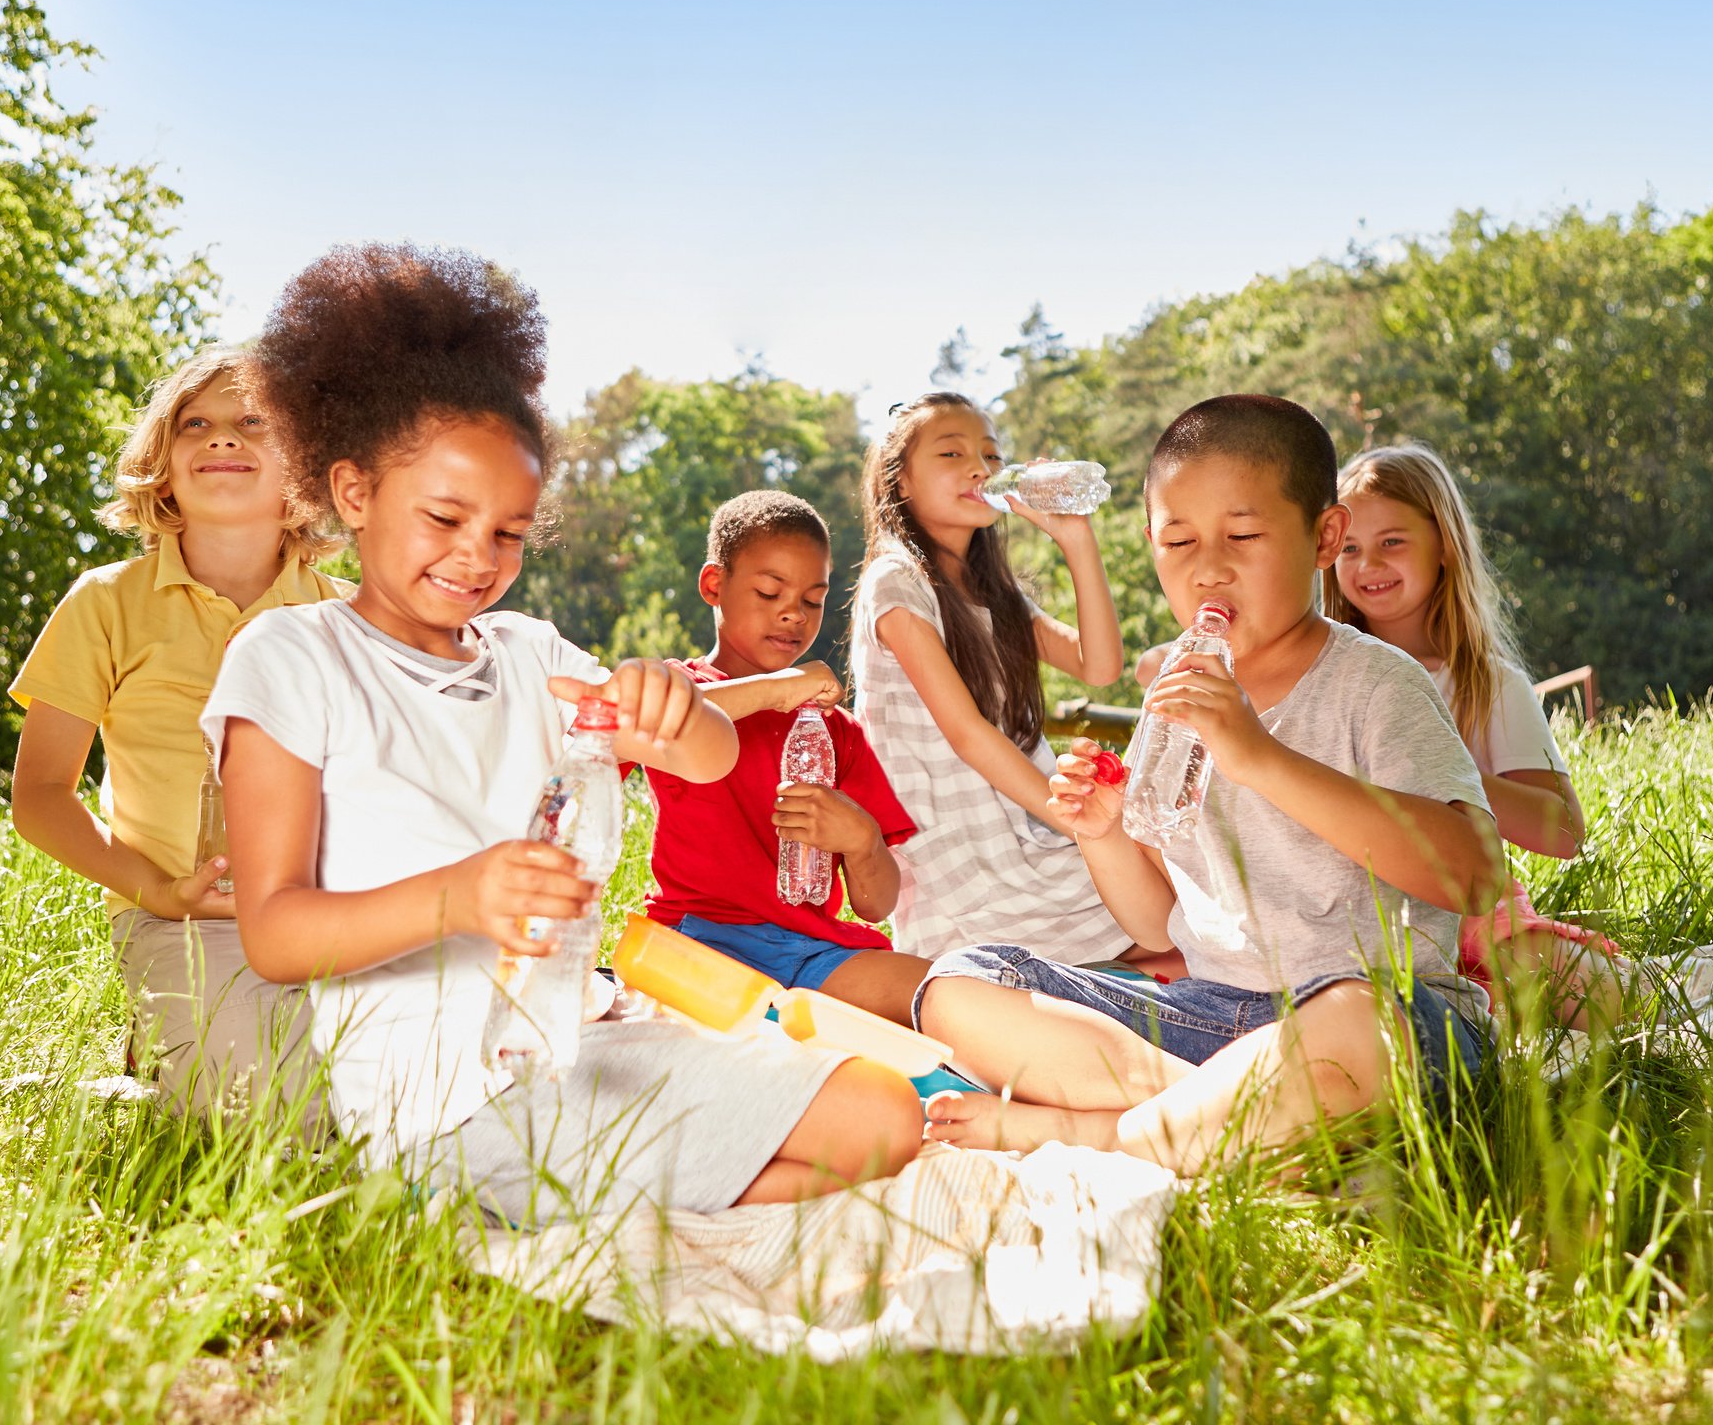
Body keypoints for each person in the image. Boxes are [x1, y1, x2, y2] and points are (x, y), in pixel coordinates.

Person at [204, 243, 921, 1222]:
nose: (476, 558)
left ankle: (654, 1195)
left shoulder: (529, 653)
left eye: (508, 531)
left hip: (575, 1043)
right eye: (446, 517)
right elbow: (275, 932)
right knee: (841, 1147)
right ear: (356, 492)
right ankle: (586, 1197)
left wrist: (670, 708)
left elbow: (703, 751)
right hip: (441, 1101)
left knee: (884, 1111)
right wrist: (458, 895)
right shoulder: (288, 658)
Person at [915, 394, 1506, 1174]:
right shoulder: (1178, 697)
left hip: (1381, 1012)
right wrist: (1102, 835)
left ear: (1325, 537)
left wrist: (1259, 755)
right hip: (1216, 1019)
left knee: (1357, 1027)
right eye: (1178, 541)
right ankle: (1222, 1117)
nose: (1208, 567)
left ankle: (1110, 1136)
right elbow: (1161, 924)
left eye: (1245, 536)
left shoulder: (1374, 682)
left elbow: (1474, 874)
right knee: (957, 986)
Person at [10, 345, 342, 1133]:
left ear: (306, 470)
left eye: (253, 423)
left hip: (330, 919)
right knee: (267, 1122)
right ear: (161, 469)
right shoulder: (106, 603)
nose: (222, 438)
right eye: (197, 424)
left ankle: (160, 1078)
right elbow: (40, 796)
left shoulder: (350, 618)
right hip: (181, 921)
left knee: (424, 1088)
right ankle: (140, 1091)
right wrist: (154, 891)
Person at [1329, 442, 1626, 1028]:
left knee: (1597, 993)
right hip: (1344, 917)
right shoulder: (1319, 677)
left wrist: (1447, 774)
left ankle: (1482, 1013)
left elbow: (1564, 829)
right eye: (1349, 549)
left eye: (1392, 542)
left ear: (1443, 544)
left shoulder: (1486, 684)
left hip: (1470, 915)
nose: (1368, 565)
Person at [849, 391, 1150, 966]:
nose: (980, 469)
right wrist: (1072, 817)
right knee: (1167, 933)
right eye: (951, 453)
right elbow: (965, 732)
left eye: (990, 455)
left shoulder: (993, 593)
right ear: (901, 483)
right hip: (961, 855)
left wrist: (1076, 539)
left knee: (1175, 914)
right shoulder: (896, 581)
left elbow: (1101, 666)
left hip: (1029, 835)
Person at [636, 489, 929, 1025]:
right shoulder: (686, 686)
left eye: (813, 601)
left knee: (938, 994)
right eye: (770, 593)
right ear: (714, 586)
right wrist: (780, 687)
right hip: (699, 942)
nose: (793, 614)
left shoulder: (837, 733)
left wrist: (861, 842)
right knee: (765, 1042)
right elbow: (662, 720)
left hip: (812, 953)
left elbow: (877, 904)